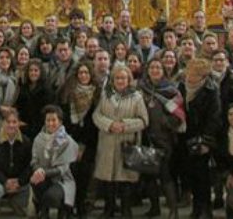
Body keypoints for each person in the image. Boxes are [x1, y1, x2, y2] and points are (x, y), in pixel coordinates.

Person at [93, 65, 149, 218]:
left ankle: (126, 210)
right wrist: (109, 124)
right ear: (113, 80)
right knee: (108, 179)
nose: (120, 81)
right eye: (117, 78)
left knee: (125, 179)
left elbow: (144, 120)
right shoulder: (105, 94)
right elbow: (96, 115)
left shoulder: (136, 97)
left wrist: (124, 125)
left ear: (129, 79)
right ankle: (109, 209)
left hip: (127, 142)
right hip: (107, 142)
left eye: (123, 78)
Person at [138, 58, 185, 219]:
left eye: (158, 67)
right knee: (149, 174)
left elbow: (178, 115)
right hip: (145, 137)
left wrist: (165, 122)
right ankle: (154, 208)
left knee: (165, 174)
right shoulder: (141, 89)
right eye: (152, 67)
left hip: (163, 139)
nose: (155, 70)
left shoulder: (171, 91)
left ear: (163, 71)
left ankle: (173, 210)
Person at [179, 59, 221, 219]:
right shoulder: (181, 87)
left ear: (202, 76)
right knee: (190, 174)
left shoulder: (211, 90)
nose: (189, 75)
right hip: (185, 135)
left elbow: (214, 118)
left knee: (203, 176)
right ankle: (196, 208)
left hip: (202, 137)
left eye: (194, 73)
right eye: (189, 71)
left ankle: (206, 209)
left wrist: (206, 140)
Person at [58, 62, 100, 219]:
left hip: (89, 142)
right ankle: (68, 207)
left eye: (86, 73)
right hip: (69, 140)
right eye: (80, 73)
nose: (83, 75)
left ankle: (81, 207)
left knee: (84, 176)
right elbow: (62, 118)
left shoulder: (97, 93)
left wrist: (83, 145)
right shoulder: (67, 92)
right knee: (70, 176)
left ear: (91, 75)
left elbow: (95, 122)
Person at [30, 105, 79, 219]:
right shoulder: (38, 139)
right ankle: (43, 210)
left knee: (51, 197)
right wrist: (37, 171)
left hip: (62, 180)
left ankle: (63, 210)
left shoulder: (67, 141)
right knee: (35, 182)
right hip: (43, 176)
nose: (50, 123)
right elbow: (34, 160)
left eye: (54, 120)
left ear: (60, 122)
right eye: (48, 120)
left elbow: (62, 168)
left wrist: (43, 172)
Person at [0, 110, 32, 217]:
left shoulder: (26, 142)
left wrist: (20, 181)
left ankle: (14, 201)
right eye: (8, 122)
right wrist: (4, 180)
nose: (11, 125)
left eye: (14, 122)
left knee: (27, 193)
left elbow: (30, 165)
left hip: (18, 183)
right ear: (3, 123)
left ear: (19, 123)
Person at [17, 59, 55, 141]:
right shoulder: (24, 87)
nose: (33, 73)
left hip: (39, 128)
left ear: (41, 72)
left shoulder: (47, 89)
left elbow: (47, 112)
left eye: (36, 70)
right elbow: (19, 106)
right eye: (30, 70)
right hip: (23, 125)